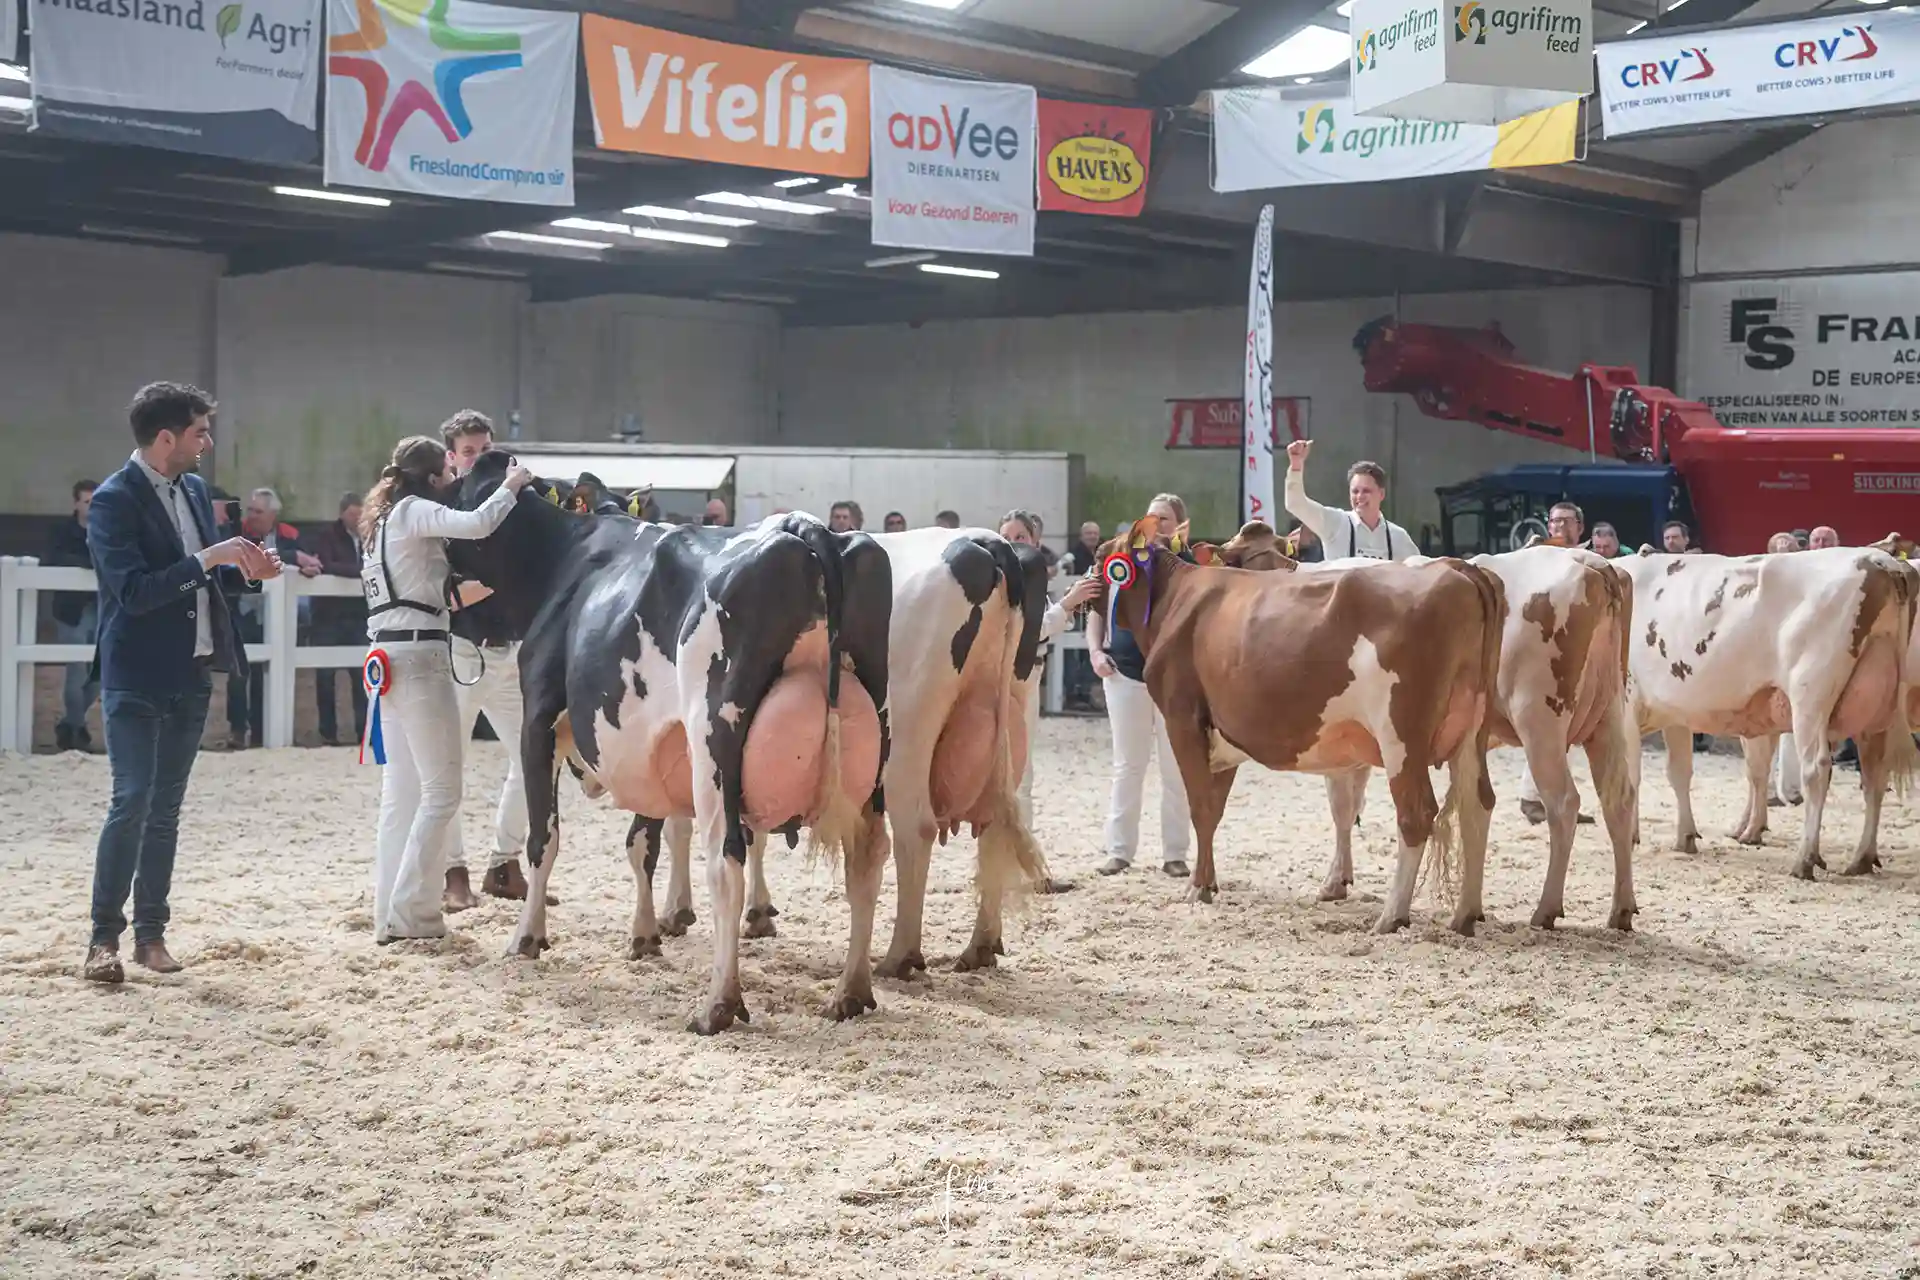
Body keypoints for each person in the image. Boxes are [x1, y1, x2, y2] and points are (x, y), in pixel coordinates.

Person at [83, 382, 282, 983]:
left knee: (165, 809)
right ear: (167, 437)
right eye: (200, 432)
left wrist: (250, 571)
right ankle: (102, 939)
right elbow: (135, 592)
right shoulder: (112, 501)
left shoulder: (194, 490)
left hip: (192, 672)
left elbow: (206, 581)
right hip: (135, 674)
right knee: (132, 800)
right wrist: (210, 558)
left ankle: (151, 935)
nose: (208, 442)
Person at [360, 435, 532, 944]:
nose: (455, 482)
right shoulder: (414, 511)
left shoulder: (381, 523)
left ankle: (388, 912)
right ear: (434, 477)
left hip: (387, 657)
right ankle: (413, 914)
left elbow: (436, 594)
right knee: (442, 794)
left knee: (402, 796)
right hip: (419, 660)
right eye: (450, 474)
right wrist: (512, 485)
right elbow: (478, 522)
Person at [439, 410, 546, 910]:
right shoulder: (443, 507)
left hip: (511, 650)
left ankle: (504, 864)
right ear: (451, 458)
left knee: (534, 756)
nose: (479, 459)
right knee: (448, 764)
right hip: (461, 650)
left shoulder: (517, 505)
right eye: (469, 452)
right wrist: (505, 578)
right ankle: (452, 872)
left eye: (485, 449)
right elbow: (446, 593)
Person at [1085, 493, 1192, 879]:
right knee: (1128, 765)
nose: (1155, 526)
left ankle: (1175, 853)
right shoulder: (1121, 559)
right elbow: (1097, 609)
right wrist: (1096, 652)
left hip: (1173, 679)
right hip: (1124, 672)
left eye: (1164, 520)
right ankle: (1119, 851)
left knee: (1175, 767)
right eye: (1150, 518)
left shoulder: (1188, 565)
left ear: (1180, 526)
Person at [227, 487, 317, 750]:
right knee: (238, 674)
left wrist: (307, 567)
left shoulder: (290, 535)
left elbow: (310, 561)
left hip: (275, 617)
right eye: (250, 510)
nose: (252, 516)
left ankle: (261, 733)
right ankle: (237, 730)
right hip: (243, 612)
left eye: (258, 512)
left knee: (266, 677)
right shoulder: (237, 533)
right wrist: (293, 558)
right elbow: (248, 558)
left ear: (272, 515)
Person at [1283, 439, 1417, 561]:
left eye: (1366, 491)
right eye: (1355, 491)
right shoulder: (1335, 523)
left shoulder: (1398, 537)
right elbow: (1295, 504)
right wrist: (1296, 465)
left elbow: (1419, 571)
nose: (1360, 496)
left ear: (1381, 494)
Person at [312, 492, 370, 747]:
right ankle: (328, 733)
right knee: (325, 677)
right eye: (352, 514)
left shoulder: (370, 536)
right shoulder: (327, 536)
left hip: (359, 615)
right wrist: (362, 572)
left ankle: (364, 732)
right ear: (342, 513)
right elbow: (327, 564)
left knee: (362, 677)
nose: (357, 520)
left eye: (360, 515)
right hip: (329, 616)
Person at [47, 479, 101, 752]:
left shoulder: (109, 530)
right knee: (77, 669)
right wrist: (87, 564)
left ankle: (69, 724)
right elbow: (52, 558)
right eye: (87, 501)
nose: (92, 507)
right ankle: (77, 730)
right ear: (76, 504)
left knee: (99, 673)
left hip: (100, 608)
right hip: (71, 610)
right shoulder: (62, 531)